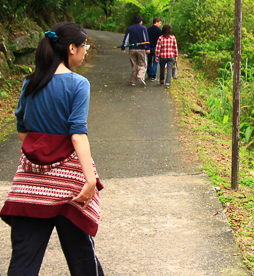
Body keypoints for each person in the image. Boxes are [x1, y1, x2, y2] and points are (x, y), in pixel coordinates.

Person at [1, 22, 104, 276]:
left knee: (23, 262)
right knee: (82, 259)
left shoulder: (30, 83)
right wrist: (90, 180)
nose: (85, 51)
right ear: (71, 48)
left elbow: (22, 130)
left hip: (30, 185)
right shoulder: (78, 84)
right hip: (70, 185)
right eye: (84, 46)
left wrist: (41, 153)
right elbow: (77, 134)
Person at [121, 14, 150, 86]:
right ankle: (140, 76)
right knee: (143, 64)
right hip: (141, 49)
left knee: (134, 65)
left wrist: (123, 48)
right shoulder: (143, 28)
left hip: (132, 49)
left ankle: (133, 81)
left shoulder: (130, 28)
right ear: (140, 21)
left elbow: (126, 39)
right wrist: (147, 48)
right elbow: (146, 39)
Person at [155, 24, 178, 89]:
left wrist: (156, 57)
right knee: (169, 69)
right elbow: (175, 48)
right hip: (171, 56)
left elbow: (157, 48)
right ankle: (168, 83)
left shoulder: (160, 38)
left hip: (163, 56)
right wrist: (176, 57)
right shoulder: (173, 37)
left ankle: (162, 80)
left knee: (162, 68)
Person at [147, 17, 162, 81]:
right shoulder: (159, 30)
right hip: (156, 48)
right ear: (156, 22)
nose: (160, 24)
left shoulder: (148, 29)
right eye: (159, 23)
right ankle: (153, 75)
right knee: (155, 62)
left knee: (149, 61)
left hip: (149, 47)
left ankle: (149, 74)